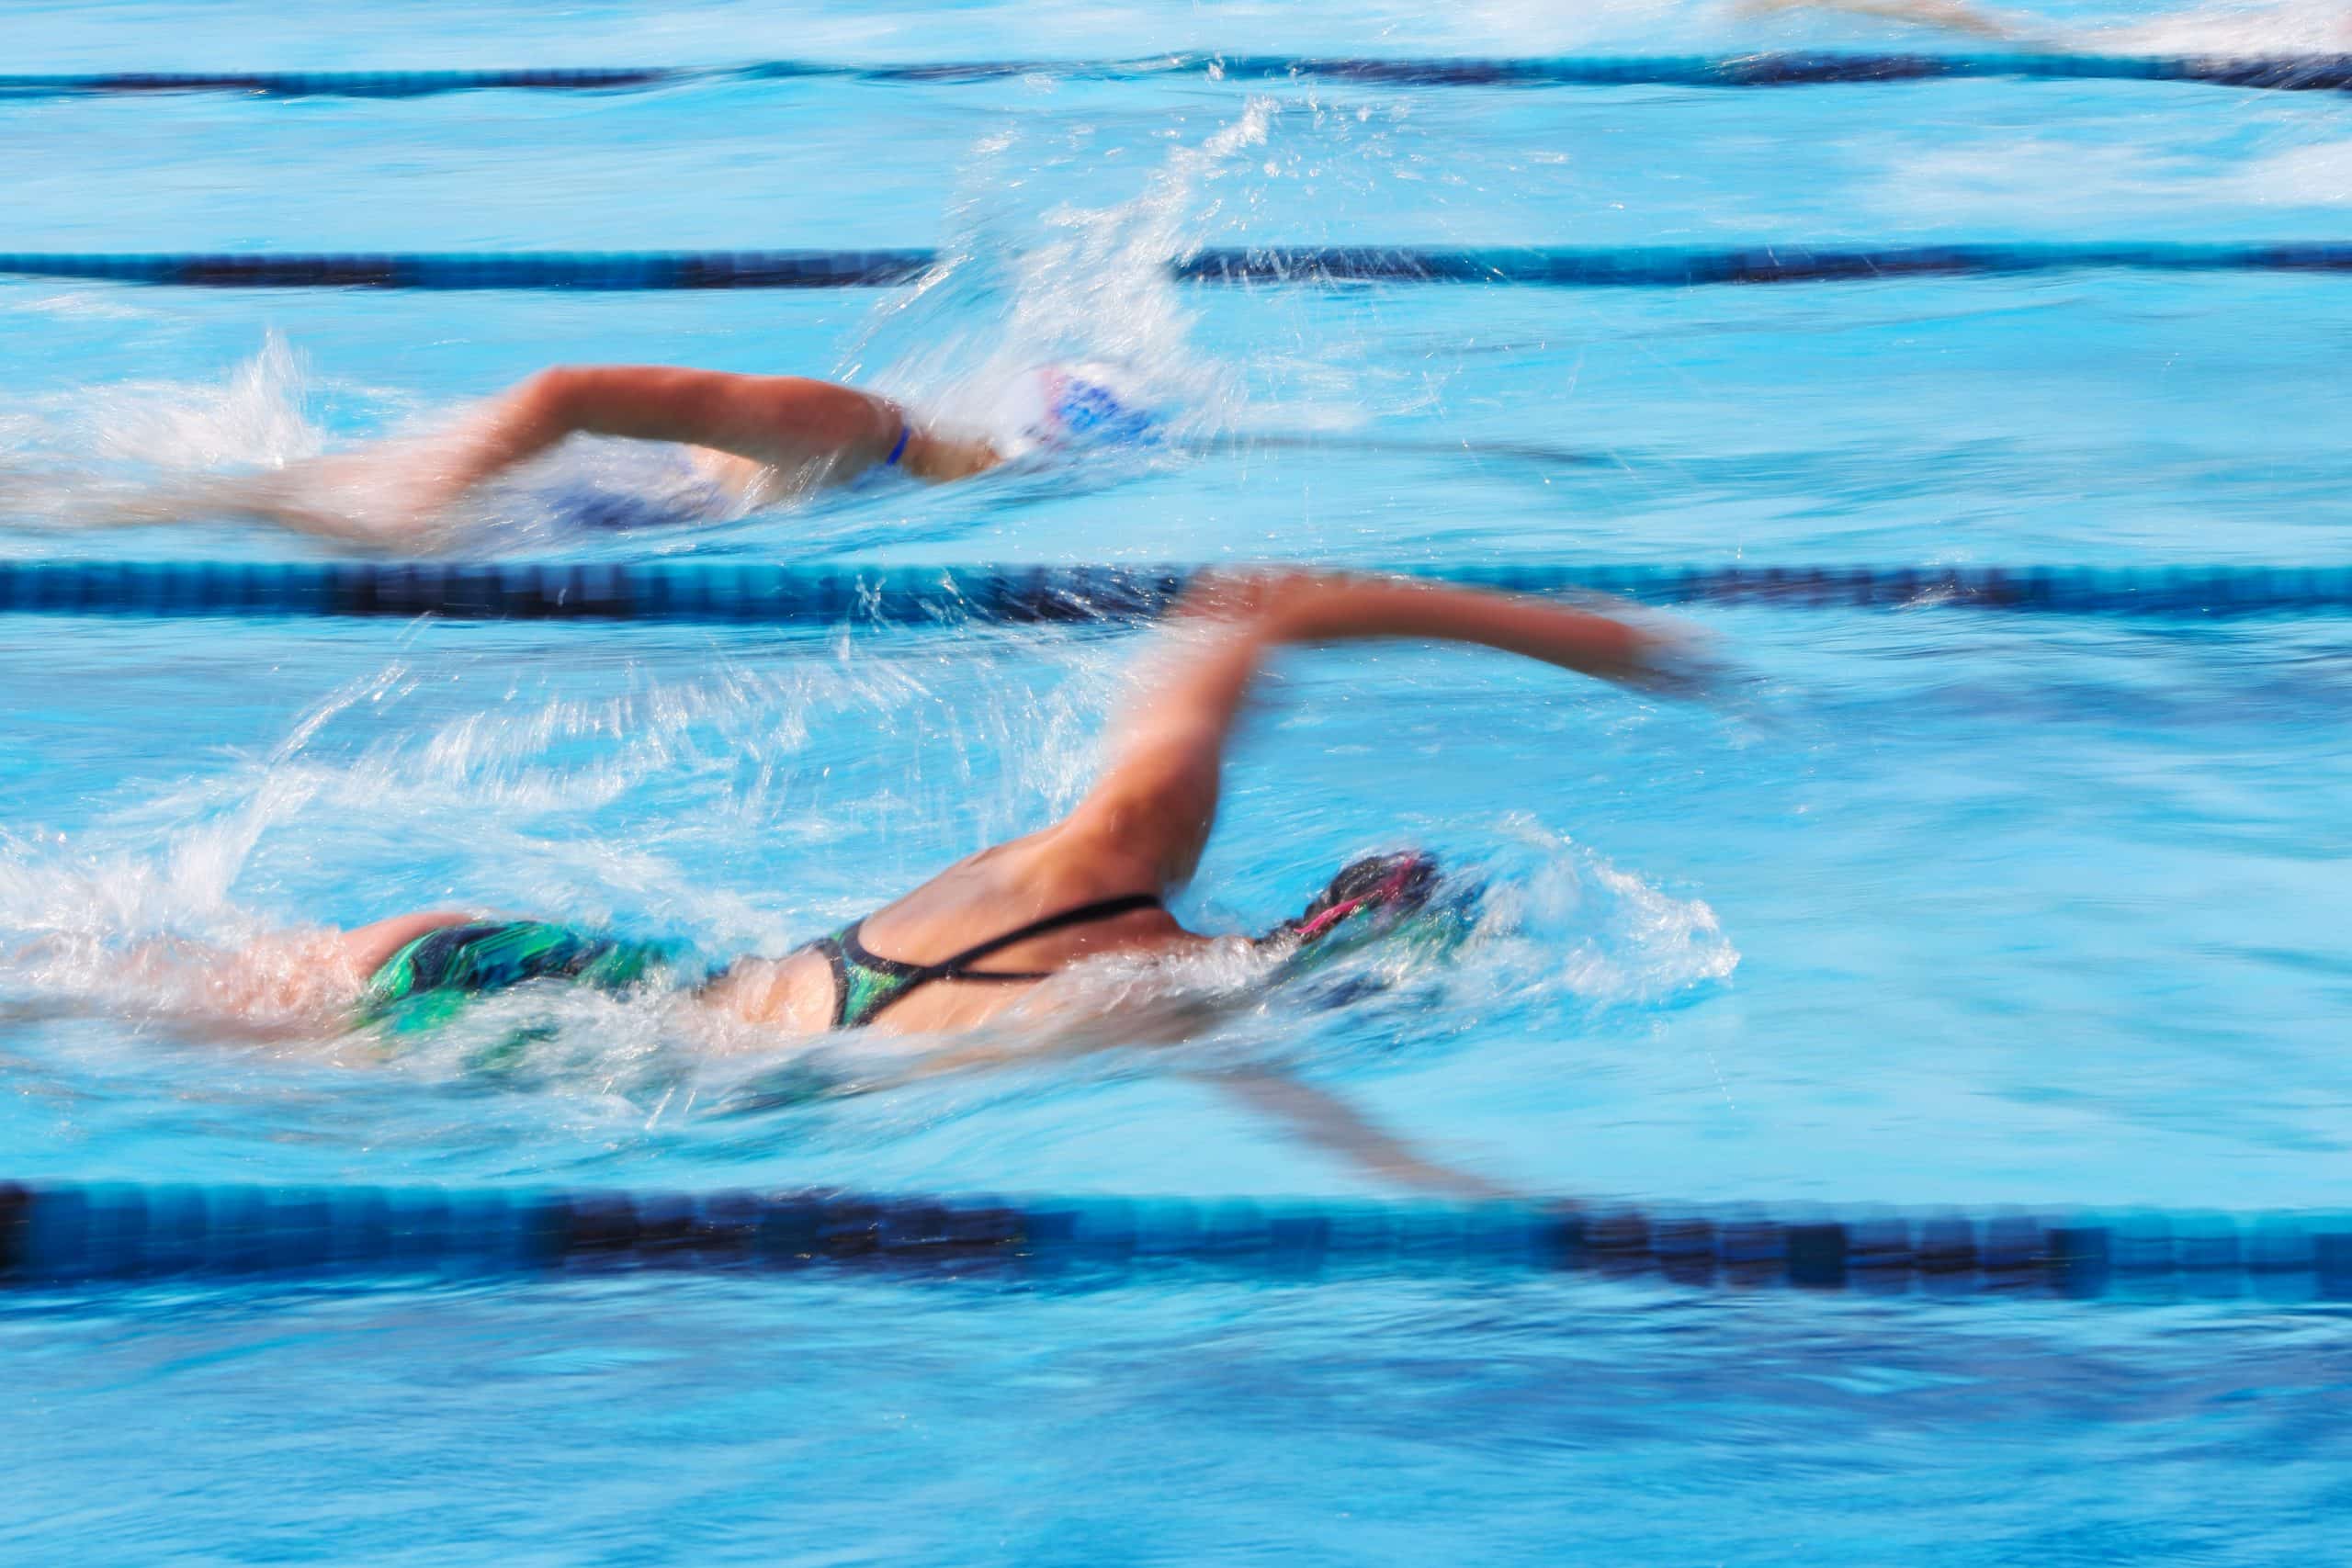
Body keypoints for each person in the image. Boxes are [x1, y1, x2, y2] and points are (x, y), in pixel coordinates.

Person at [115, 569, 1702, 1194]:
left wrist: (1579, 634)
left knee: (79, 981)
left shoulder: (1108, 869)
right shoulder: (1173, 1006)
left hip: (535, 967)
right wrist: (1475, 1197)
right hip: (536, 1057)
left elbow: (1244, 613)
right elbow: (1303, 1104)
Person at [71, 361, 1144, 551]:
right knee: (179, 509)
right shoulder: (853, 429)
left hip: (558, 514)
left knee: (200, 505)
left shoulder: (895, 478)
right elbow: (564, 393)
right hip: (514, 502)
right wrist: (427, 500)